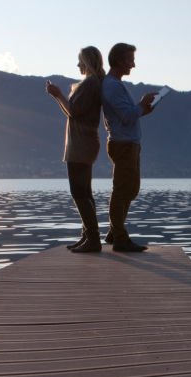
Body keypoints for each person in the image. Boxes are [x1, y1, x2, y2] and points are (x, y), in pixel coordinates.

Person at [45, 46, 106, 253]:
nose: (78, 65)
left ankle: (93, 238)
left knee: (79, 191)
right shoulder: (93, 84)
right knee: (84, 191)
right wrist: (58, 97)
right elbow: (73, 114)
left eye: (80, 61)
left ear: (87, 62)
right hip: (84, 142)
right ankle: (88, 236)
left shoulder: (89, 84)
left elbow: (73, 111)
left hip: (81, 143)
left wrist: (58, 94)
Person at [101, 42, 157, 252]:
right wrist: (141, 105)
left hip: (128, 143)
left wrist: (143, 110)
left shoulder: (115, 84)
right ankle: (119, 238)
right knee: (123, 190)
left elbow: (129, 114)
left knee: (129, 189)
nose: (133, 65)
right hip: (123, 144)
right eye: (130, 60)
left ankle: (115, 231)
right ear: (118, 60)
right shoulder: (113, 86)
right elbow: (126, 116)